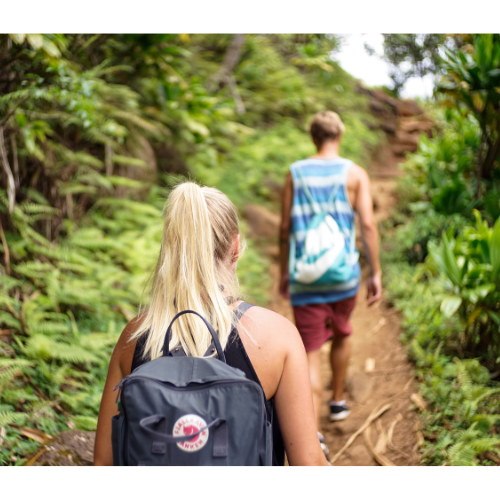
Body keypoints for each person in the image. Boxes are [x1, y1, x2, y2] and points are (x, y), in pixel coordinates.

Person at [94, 182, 327, 466]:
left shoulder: (134, 338)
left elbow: (104, 466)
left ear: (171, 247)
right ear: (236, 247)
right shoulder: (276, 336)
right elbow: (309, 465)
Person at [279, 111, 382, 441]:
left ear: (313, 137)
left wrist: (285, 270)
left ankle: (313, 434)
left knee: (308, 350)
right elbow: (367, 225)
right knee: (342, 334)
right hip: (343, 275)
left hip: (305, 276)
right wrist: (375, 272)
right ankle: (337, 401)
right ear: (340, 136)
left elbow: (284, 228)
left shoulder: (295, 173)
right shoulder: (355, 174)